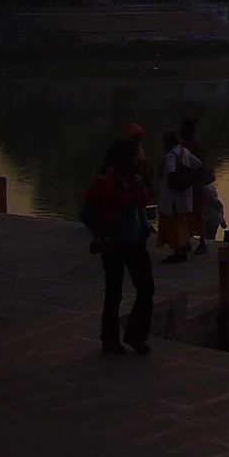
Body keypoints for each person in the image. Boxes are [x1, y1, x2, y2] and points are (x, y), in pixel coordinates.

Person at [80, 140, 155, 355]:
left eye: (135, 156)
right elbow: (86, 213)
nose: (133, 160)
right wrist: (102, 234)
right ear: (117, 158)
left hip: (136, 242)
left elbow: (138, 207)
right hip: (114, 245)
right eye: (129, 156)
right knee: (114, 293)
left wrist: (145, 227)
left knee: (146, 288)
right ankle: (110, 339)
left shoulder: (135, 181)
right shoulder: (105, 184)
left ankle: (136, 335)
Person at [155, 130, 201, 264]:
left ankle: (178, 252)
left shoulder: (170, 155)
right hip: (183, 195)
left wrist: (173, 179)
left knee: (173, 225)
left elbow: (170, 172)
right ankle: (185, 244)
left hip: (172, 198)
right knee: (182, 222)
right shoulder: (184, 151)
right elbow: (198, 163)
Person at [179, 117, 214, 255]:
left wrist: (199, 185)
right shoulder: (183, 145)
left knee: (198, 213)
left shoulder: (198, 145)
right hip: (186, 185)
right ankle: (187, 241)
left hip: (196, 184)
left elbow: (203, 166)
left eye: (183, 129)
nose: (181, 132)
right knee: (185, 213)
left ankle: (202, 243)